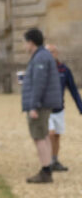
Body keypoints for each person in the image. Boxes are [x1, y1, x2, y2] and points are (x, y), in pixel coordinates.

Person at [20, 29, 62, 184]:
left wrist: (34, 106)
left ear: (31, 42)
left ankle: (45, 171)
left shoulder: (40, 57)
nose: (23, 46)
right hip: (43, 103)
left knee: (39, 137)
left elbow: (39, 84)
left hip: (40, 105)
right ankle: (47, 168)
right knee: (43, 135)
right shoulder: (42, 56)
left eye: (24, 42)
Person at [47, 44, 82, 172]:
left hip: (59, 109)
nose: (50, 55)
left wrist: (80, 107)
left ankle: (54, 160)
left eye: (52, 52)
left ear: (57, 53)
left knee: (56, 136)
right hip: (46, 110)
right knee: (50, 134)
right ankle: (47, 161)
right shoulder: (42, 69)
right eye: (47, 52)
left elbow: (73, 90)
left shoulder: (64, 70)